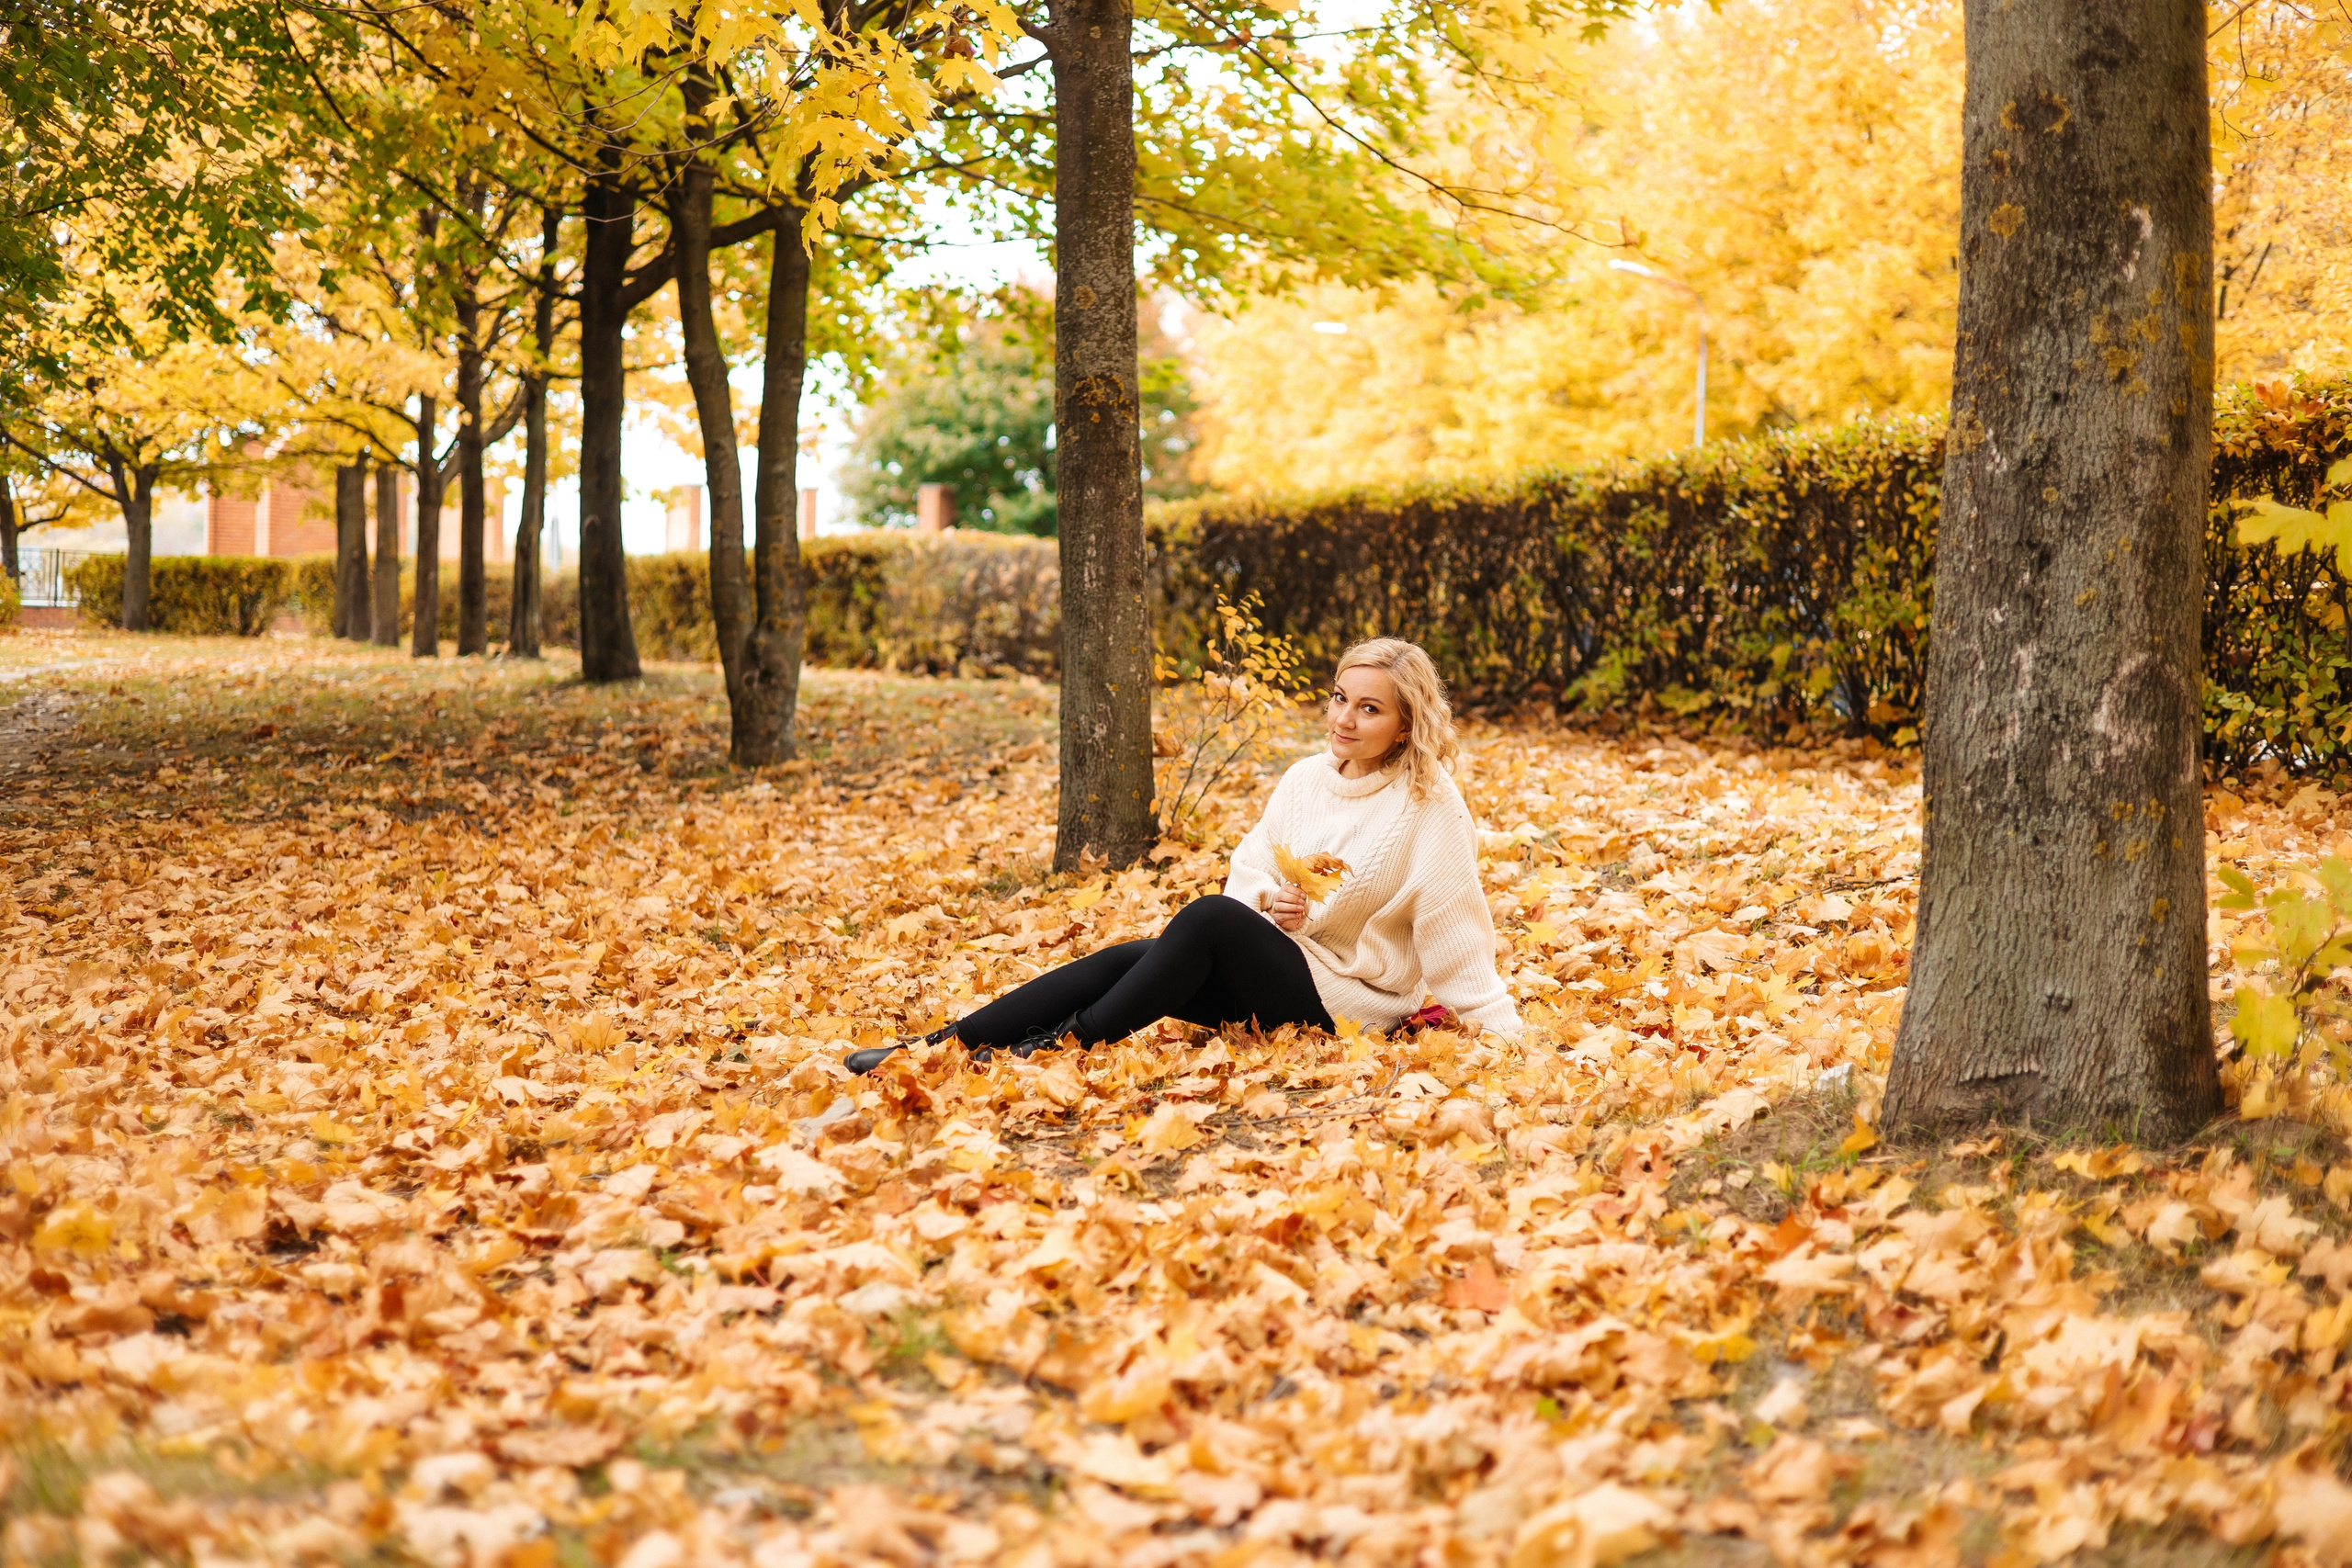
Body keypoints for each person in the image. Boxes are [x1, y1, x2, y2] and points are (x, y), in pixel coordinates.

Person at [847, 637, 1521, 1074]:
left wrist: (1505, 1034)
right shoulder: (1306, 778)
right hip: (1288, 964)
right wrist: (1272, 905)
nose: (1344, 718)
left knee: (1204, 921)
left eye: (1369, 709)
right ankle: (935, 1050)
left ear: (1406, 723)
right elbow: (1252, 868)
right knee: (1130, 956)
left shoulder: (1428, 801)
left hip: (1350, 1002)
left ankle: (1057, 1047)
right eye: (1341, 697)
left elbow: (1454, 925)